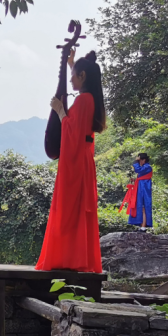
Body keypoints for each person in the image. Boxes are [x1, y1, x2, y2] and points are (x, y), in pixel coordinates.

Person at [36, 50, 107, 273]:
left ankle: (66, 258)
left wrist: (59, 111)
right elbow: (79, 129)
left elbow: (72, 131)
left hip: (76, 159)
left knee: (69, 208)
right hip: (84, 157)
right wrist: (71, 63)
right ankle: (77, 257)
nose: (70, 80)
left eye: (74, 75)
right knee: (78, 209)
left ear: (83, 76)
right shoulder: (90, 97)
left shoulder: (84, 100)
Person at [126, 152, 154, 230]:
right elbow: (142, 178)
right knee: (140, 207)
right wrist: (134, 180)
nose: (139, 162)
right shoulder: (145, 168)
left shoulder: (148, 167)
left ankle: (143, 226)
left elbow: (138, 170)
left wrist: (135, 162)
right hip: (140, 188)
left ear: (144, 160)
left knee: (144, 207)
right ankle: (142, 225)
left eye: (140, 160)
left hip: (145, 190)